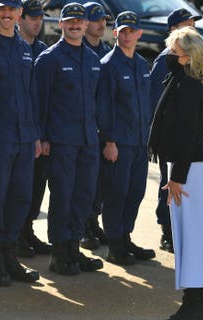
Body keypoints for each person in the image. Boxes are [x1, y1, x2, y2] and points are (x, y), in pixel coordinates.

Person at [148, 26, 203, 320]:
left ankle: (195, 304)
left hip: (189, 169)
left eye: (174, 53)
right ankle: (194, 302)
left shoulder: (189, 86)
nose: (168, 56)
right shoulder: (180, 80)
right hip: (185, 166)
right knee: (188, 234)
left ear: (188, 57)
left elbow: (189, 136)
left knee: (192, 235)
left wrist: (176, 178)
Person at [0, 0, 41, 286]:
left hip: (25, 139)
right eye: (2, 9)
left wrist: (36, 135)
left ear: (19, 14)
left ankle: (12, 255)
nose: (6, 14)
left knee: (21, 197)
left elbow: (31, 95)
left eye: (11, 10)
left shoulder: (24, 48)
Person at [34, 2, 103, 276]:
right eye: (69, 21)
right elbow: (39, 102)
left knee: (83, 196)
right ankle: (60, 254)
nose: (75, 25)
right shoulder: (49, 59)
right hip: (61, 141)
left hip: (88, 142)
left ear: (86, 25)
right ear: (60, 24)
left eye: (79, 21)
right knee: (63, 196)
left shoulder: (93, 58)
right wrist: (43, 137)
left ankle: (75, 249)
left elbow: (96, 102)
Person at [96, 11, 155, 266]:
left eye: (132, 31)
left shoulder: (142, 64)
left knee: (136, 191)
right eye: (123, 31)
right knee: (116, 193)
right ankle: (115, 245)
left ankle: (126, 236)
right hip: (119, 143)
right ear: (115, 32)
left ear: (139, 34)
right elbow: (105, 107)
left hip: (140, 142)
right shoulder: (109, 65)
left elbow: (147, 104)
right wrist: (109, 141)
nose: (128, 35)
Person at [150, 8, 202, 254]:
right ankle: (167, 231)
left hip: (184, 136)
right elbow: (159, 99)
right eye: (186, 25)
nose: (191, 28)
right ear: (173, 30)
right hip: (170, 137)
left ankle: (178, 230)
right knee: (168, 183)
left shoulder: (192, 57)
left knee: (181, 184)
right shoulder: (167, 59)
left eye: (193, 24)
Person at [16, 0, 52, 259]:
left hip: (38, 131)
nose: (37, 22)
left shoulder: (43, 50)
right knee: (17, 188)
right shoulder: (15, 47)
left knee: (37, 184)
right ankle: (15, 236)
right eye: (32, 17)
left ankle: (27, 230)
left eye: (40, 17)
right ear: (21, 19)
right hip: (16, 132)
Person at [79, 0, 112, 250]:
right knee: (84, 182)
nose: (102, 24)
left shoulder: (108, 51)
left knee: (101, 183)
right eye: (97, 19)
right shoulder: (78, 50)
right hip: (83, 130)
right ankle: (84, 227)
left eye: (104, 19)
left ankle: (94, 222)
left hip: (105, 129)